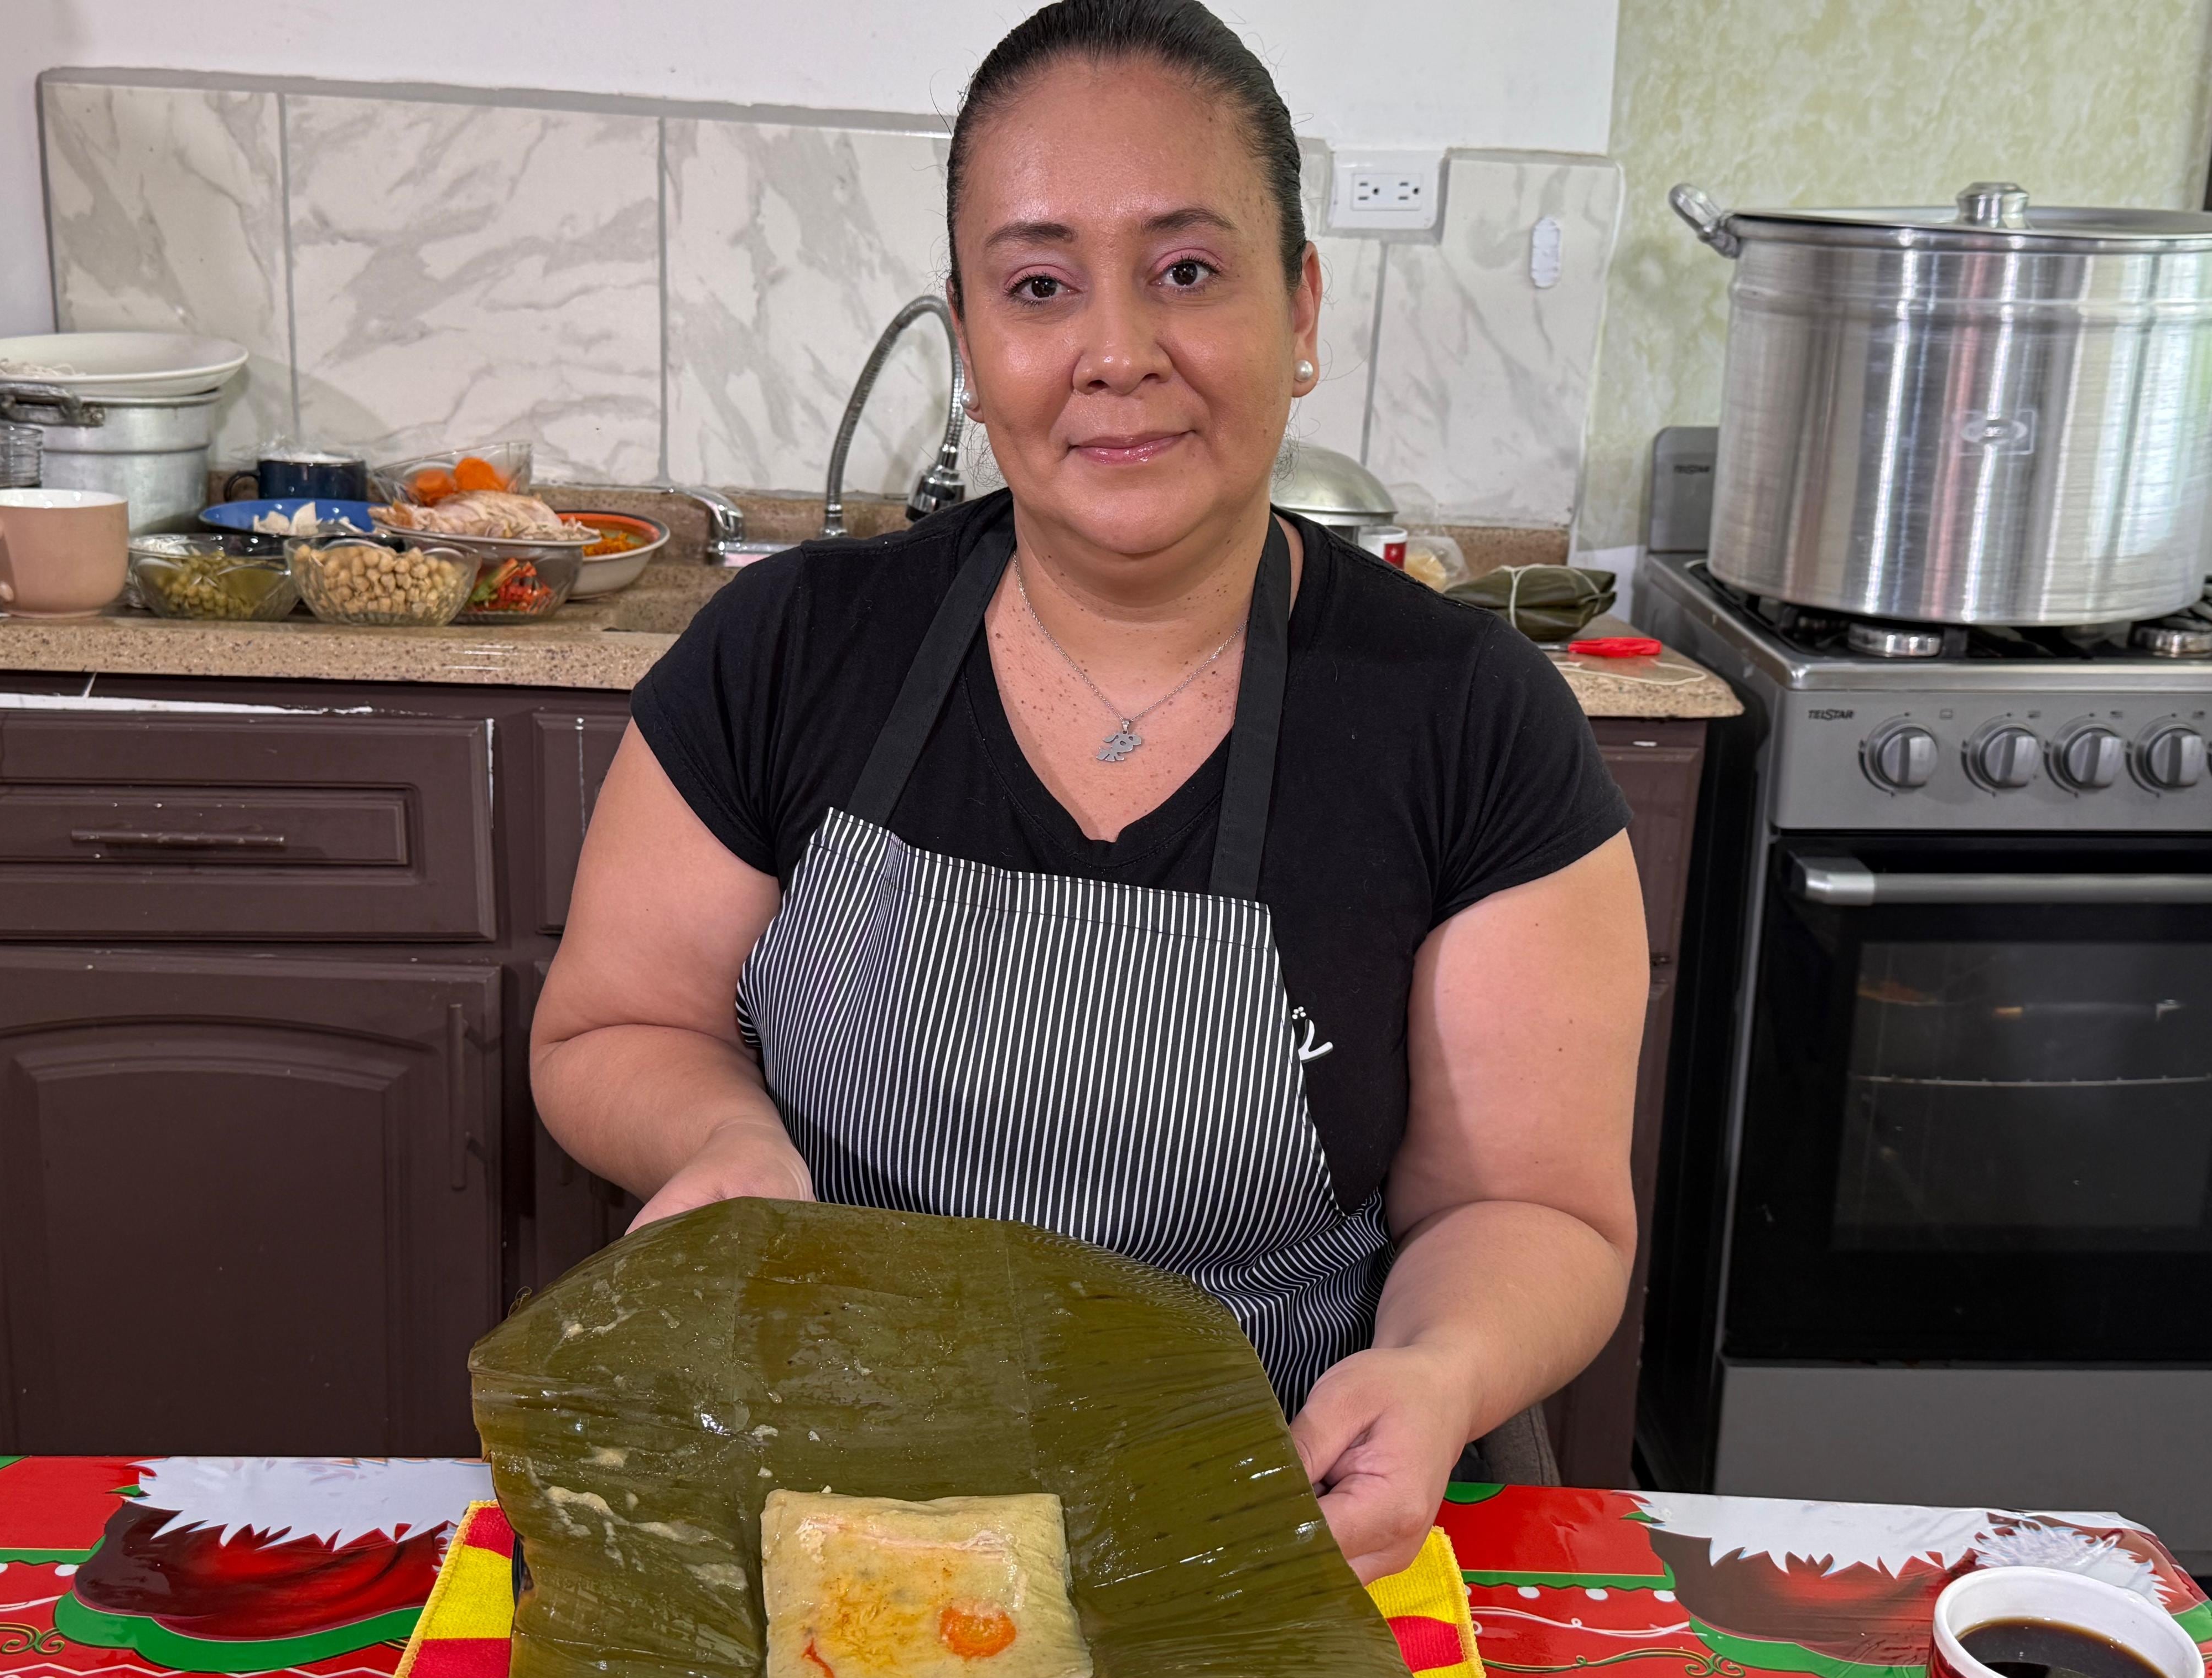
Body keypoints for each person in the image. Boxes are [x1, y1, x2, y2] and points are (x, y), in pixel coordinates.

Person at [532, 0, 1650, 1582]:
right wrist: (724, 1146)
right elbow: (610, 1026)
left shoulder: (1467, 718)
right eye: (1041, 285)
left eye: (1188, 270)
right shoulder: (789, 647)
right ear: (975, 342)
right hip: (816, 1510)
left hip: (1252, 1529)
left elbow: (1531, 1208)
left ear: (1303, 305)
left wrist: (1441, 1370)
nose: (1118, 352)